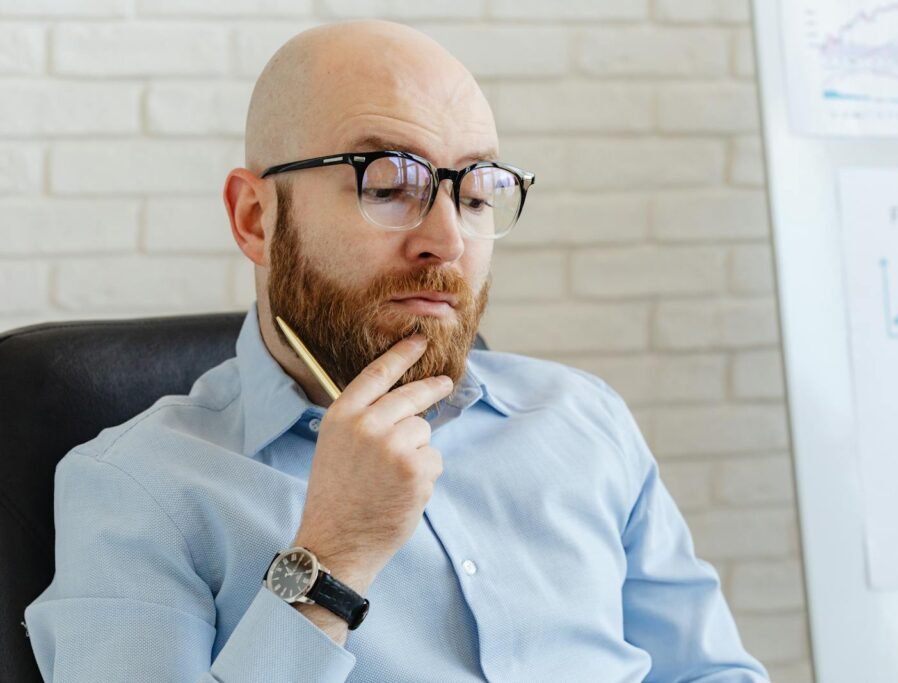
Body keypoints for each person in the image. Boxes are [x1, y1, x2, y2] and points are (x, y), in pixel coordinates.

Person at [24, 20, 770, 682]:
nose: (446, 238)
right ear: (255, 218)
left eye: (475, 195)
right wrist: (333, 557)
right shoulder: (135, 489)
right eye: (387, 184)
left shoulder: (584, 421)